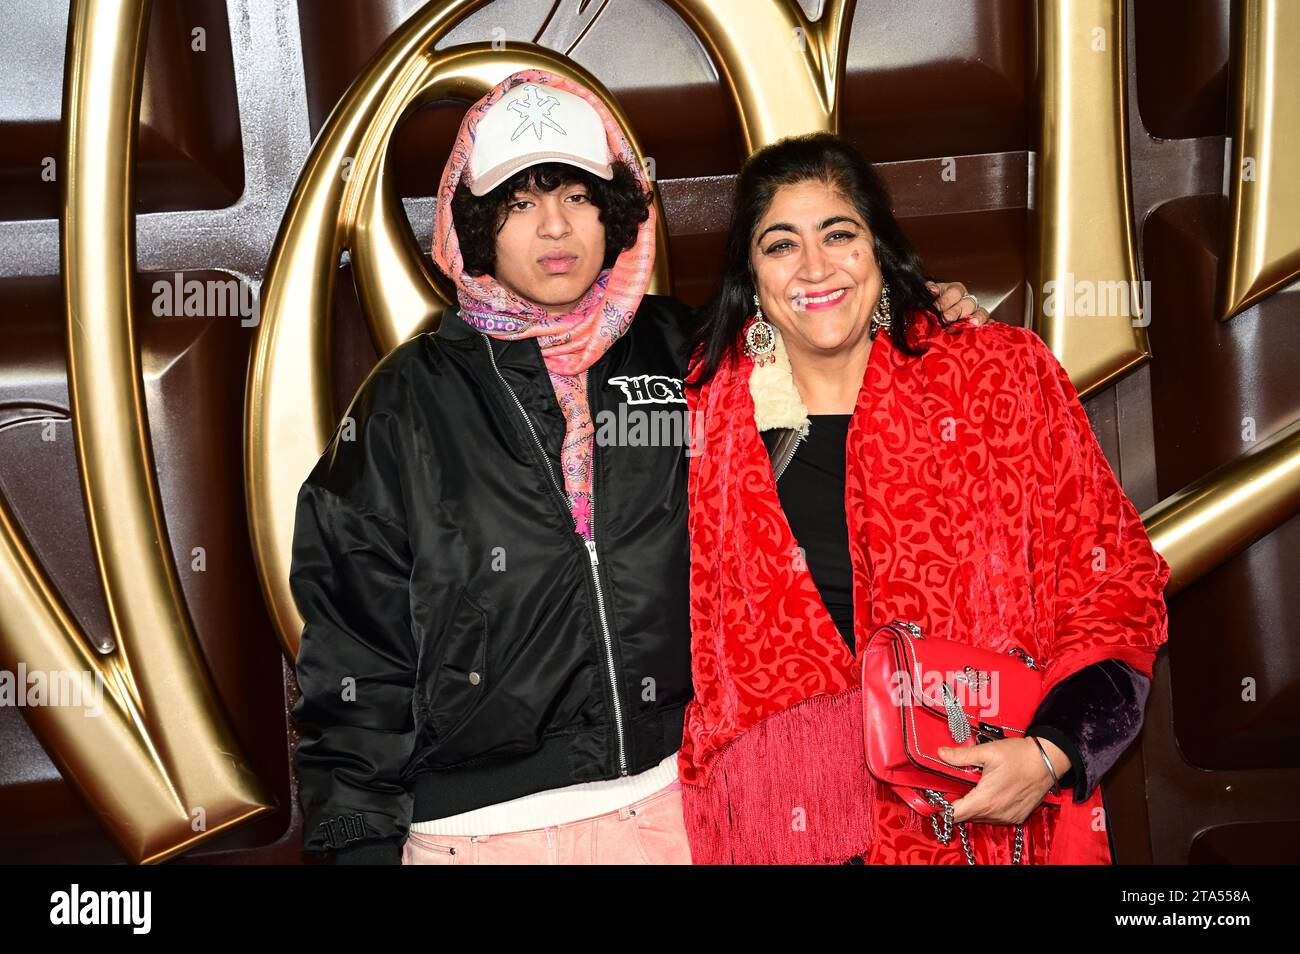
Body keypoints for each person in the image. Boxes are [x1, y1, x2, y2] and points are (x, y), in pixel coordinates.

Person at [288, 71, 987, 865]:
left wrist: (918, 312)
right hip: (477, 835)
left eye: (579, 197)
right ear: (477, 223)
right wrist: (355, 842)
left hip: (674, 809)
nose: (555, 227)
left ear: (613, 210)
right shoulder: (405, 404)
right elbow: (352, 646)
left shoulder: (682, 350)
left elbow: (820, 330)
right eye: (520, 202)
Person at [679, 132, 1171, 864]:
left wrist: (1051, 753)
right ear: (751, 277)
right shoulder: (700, 415)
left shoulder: (998, 376)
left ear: (880, 249)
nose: (815, 267)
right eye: (780, 245)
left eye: (839, 235)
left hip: (984, 821)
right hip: (791, 831)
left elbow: (1118, 586)